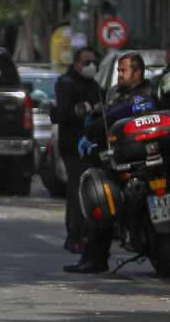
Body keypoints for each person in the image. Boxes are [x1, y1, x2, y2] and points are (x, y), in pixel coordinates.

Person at [66, 53, 160, 273]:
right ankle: (94, 258)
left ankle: (95, 259)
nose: (119, 75)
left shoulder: (144, 96)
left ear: (138, 73)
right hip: (124, 163)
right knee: (105, 199)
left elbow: (120, 114)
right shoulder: (119, 95)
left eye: (123, 71)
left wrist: (101, 119)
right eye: (118, 70)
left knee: (103, 197)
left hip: (142, 164)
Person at [53, 47, 103, 252]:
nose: (91, 66)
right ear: (76, 64)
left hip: (93, 144)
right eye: (86, 62)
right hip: (73, 145)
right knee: (77, 190)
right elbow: (62, 113)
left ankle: (88, 233)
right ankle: (74, 235)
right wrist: (84, 110)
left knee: (92, 189)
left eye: (93, 62)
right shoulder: (66, 83)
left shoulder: (94, 85)